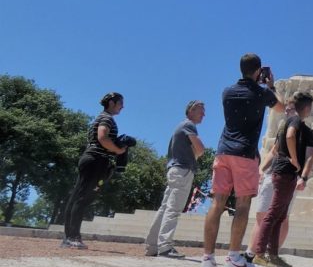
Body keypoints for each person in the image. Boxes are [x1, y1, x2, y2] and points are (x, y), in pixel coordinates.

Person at [201, 54, 283, 267]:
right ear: (258, 71)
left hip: (223, 151)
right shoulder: (262, 93)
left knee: (217, 204)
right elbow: (281, 108)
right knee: (243, 204)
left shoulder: (227, 92)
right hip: (245, 154)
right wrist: (270, 85)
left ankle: (207, 257)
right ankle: (234, 256)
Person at [252, 92, 313, 267]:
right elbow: (290, 136)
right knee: (274, 213)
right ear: (306, 108)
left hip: (283, 172)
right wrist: (295, 159)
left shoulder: (289, 123)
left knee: (279, 215)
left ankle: (273, 254)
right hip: (285, 172)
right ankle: (259, 253)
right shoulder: (295, 120)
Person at [63, 92, 135, 249]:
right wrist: (118, 150)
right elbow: (102, 137)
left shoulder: (102, 117)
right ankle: (72, 237)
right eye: (120, 103)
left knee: (78, 197)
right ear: (111, 103)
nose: (122, 106)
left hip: (93, 159)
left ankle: (69, 236)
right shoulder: (106, 118)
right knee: (81, 198)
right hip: (95, 160)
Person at [145, 100, 206, 258]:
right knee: (173, 209)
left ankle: (152, 246)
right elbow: (201, 149)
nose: (204, 114)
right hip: (183, 170)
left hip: (174, 169)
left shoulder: (180, 126)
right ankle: (165, 247)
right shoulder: (189, 125)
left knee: (164, 208)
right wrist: (196, 155)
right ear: (191, 110)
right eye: (201, 111)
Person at [248, 101, 297, 257]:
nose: (286, 112)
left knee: (282, 216)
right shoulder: (283, 127)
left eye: (290, 110)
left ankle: (271, 254)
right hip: (272, 173)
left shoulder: (300, 128)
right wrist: (261, 169)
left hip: (287, 175)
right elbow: (274, 150)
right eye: (286, 109)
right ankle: (251, 252)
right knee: (261, 214)